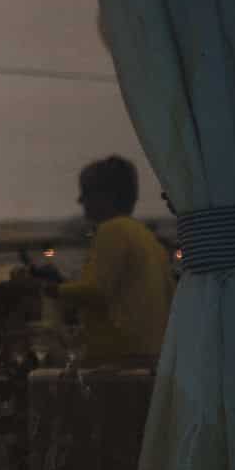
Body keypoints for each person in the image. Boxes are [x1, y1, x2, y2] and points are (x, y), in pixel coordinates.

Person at [52, 156, 173, 366]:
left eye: (86, 192)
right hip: (151, 356)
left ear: (106, 195)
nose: (80, 201)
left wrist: (53, 290)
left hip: (118, 359)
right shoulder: (146, 236)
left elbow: (97, 290)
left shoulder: (112, 230)